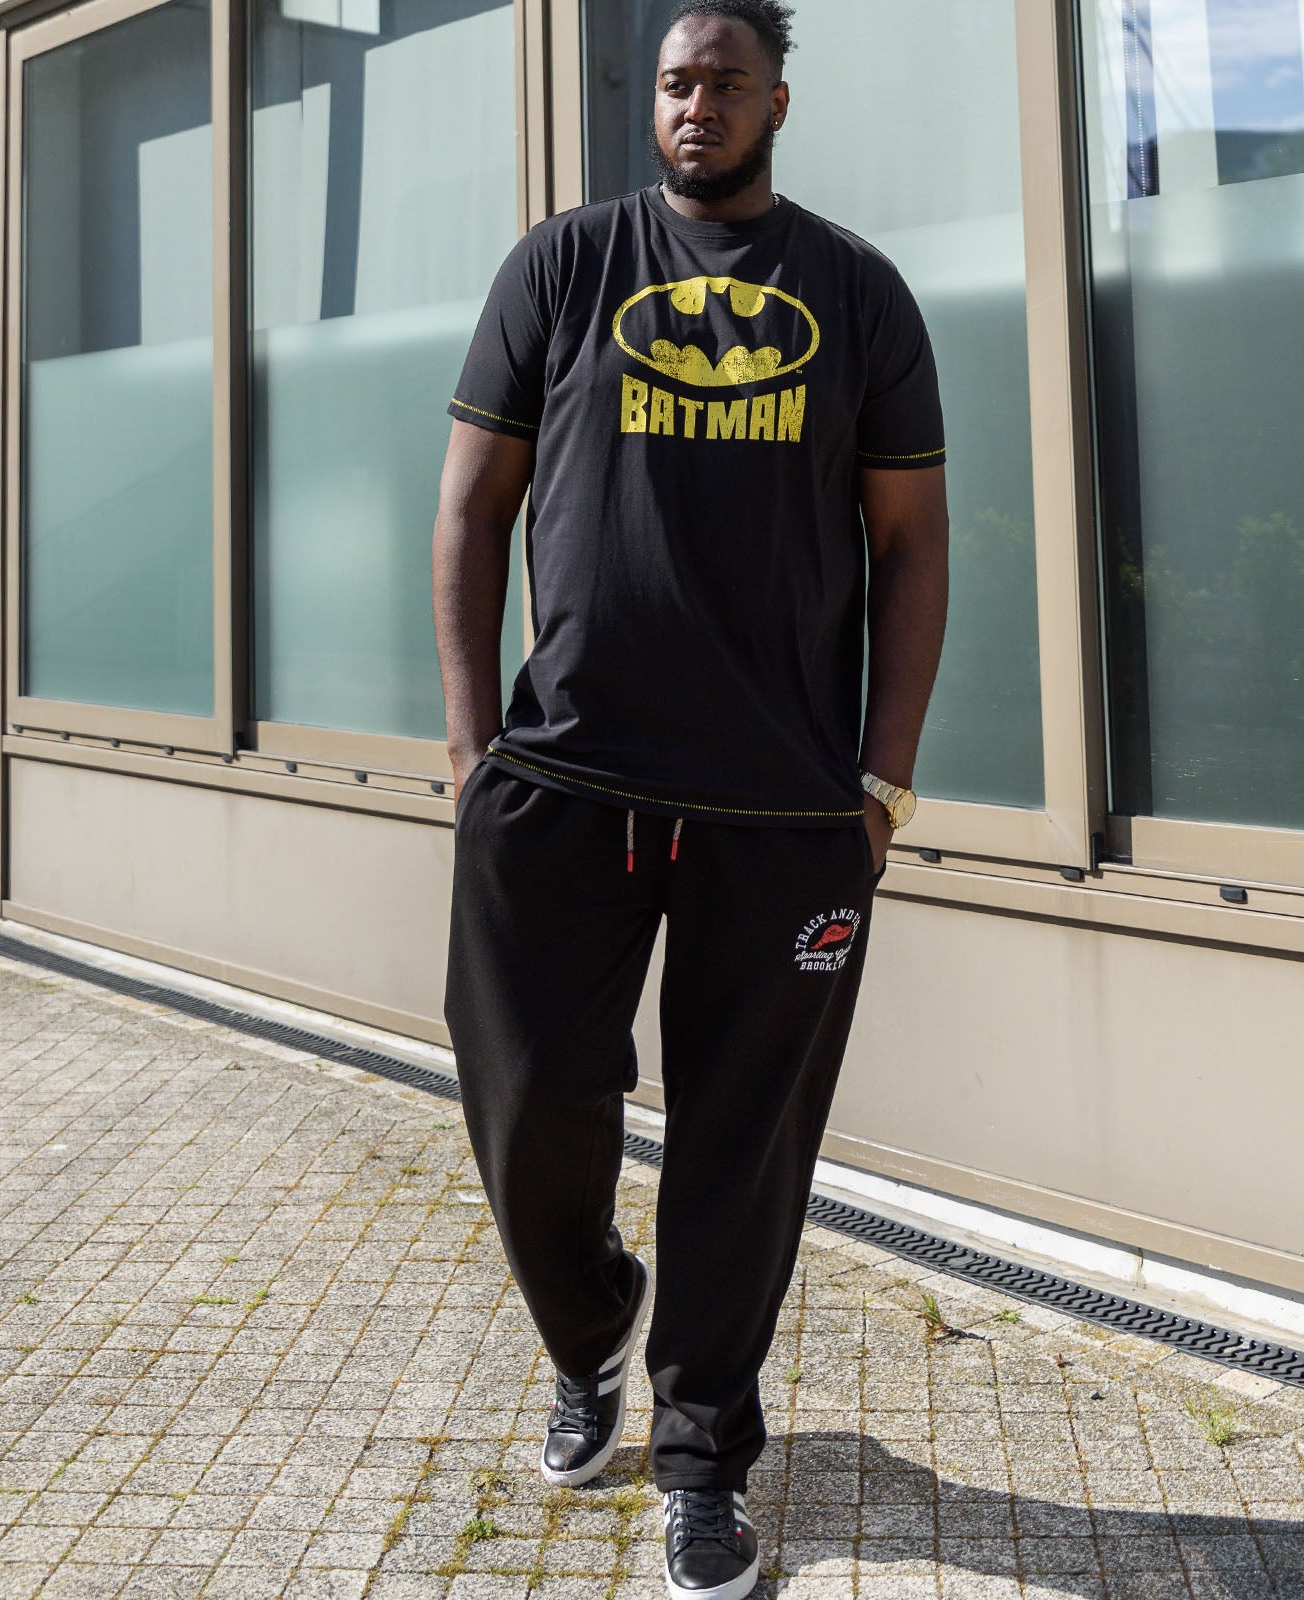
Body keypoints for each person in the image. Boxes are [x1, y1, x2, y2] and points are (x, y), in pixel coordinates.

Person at [433, 2, 948, 1594]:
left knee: (745, 1149)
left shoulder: (857, 294)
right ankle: (590, 1328)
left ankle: (706, 1454)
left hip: (782, 813)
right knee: (529, 1098)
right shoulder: (563, 268)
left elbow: (912, 545)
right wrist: (468, 754)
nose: (695, 103)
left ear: (778, 100)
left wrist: (881, 784)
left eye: (725, 80)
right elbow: (471, 511)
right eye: (673, 81)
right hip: (563, 778)